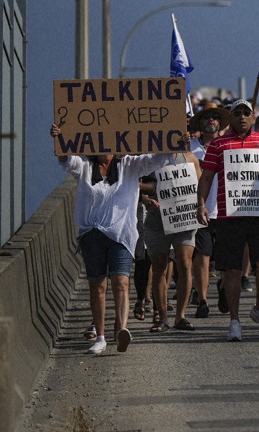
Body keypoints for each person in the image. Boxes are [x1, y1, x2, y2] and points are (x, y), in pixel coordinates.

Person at [52, 123, 172, 354]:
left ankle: (122, 329)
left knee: (121, 281)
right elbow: (67, 160)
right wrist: (59, 139)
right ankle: (100, 337)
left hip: (121, 234)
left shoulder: (130, 165)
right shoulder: (85, 167)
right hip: (92, 234)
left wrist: (173, 140)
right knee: (98, 285)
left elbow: (156, 160)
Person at [196, 99, 259, 341]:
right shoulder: (218, 144)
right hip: (228, 215)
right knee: (232, 269)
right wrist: (201, 205)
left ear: (252, 116)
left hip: (258, 214)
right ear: (230, 117)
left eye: (246, 112)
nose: (241, 116)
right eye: (237, 112)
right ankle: (234, 320)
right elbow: (206, 177)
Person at [139, 149, 204, 333]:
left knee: (185, 263)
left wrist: (201, 206)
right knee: (159, 267)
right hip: (156, 221)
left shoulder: (190, 158)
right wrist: (145, 199)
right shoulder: (149, 159)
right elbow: (134, 184)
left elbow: (201, 185)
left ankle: (180, 316)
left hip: (184, 219)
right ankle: (162, 318)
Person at [188, 103, 228, 319]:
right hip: (200, 209)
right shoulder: (189, 147)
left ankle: (224, 287)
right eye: (206, 117)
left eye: (215, 117)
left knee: (225, 257)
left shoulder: (227, 145)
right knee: (202, 256)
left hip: (225, 210)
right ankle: (202, 300)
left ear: (220, 123)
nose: (211, 120)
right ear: (200, 123)